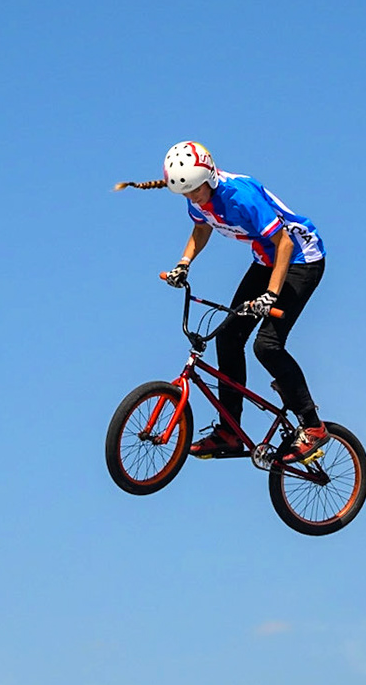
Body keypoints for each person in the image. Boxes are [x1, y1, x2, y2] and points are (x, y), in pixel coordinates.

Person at [116, 141, 329, 462]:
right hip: (265, 262)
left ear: (210, 178)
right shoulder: (197, 199)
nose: (192, 198)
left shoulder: (240, 195)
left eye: (195, 191)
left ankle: (313, 427)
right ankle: (230, 432)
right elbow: (201, 229)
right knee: (228, 338)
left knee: (267, 345)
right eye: (186, 194)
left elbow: (283, 243)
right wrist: (184, 263)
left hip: (301, 260)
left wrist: (270, 295)